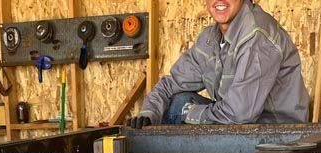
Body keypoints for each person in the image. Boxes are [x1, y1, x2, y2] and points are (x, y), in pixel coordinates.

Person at [127, 0, 309, 127]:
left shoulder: (256, 34)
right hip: (241, 133)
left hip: (279, 138)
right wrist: (148, 114)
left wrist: (190, 112)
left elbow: (240, 114)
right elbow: (169, 85)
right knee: (176, 102)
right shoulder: (210, 39)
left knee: (179, 107)